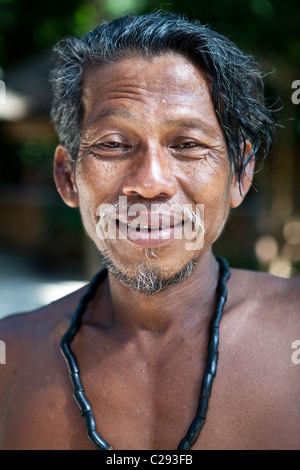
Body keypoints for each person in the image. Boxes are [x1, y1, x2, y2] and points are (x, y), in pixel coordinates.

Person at [0, 12, 299, 451]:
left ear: (240, 173)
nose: (150, 180)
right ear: (67, 178)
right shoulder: (12, 356)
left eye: (187, 145)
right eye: (114, 145)